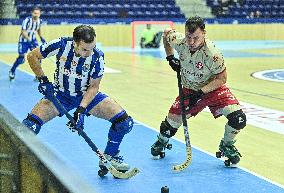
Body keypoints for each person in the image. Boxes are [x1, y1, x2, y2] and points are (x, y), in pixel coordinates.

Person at [22, 25, 134, 172]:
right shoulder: (61, 45)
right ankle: (18, 161)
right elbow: (32, 56)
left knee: (125, 123)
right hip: (60, 95)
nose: (89, 53)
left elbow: (94, 87)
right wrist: (43, 80)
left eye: (92, 48)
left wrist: (81, 110)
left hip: (86, 96)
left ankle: (110, 155)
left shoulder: (97, 56)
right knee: (28, 127)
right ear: (75, 43)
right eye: (84, 49)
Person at [150, 16, 246, 165]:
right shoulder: (180, 41)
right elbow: (166, 33)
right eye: (189, 37)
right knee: (169, 126)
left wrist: (201, 93)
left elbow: (222, 78)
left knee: (238, 119)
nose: (191, 42)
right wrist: (170, 58)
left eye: (196, 38)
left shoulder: (213, 54)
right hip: (189, 89)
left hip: (213, 89)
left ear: (204, 33)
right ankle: (162, 141)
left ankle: (227, 145)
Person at [9, 7, 46, 80]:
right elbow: (23, 32)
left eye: (38, 13)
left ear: (40, 14)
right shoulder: (27, 20)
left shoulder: (39, 21)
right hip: (23, 41)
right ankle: (12, 71)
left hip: (33, 39)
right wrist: (29, 40)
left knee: (39, 57)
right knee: (21, 59)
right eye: (35, 13)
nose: (36, 15)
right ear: (32, 13)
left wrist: (41, 37)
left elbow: (38, 29)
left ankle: (38, 74)